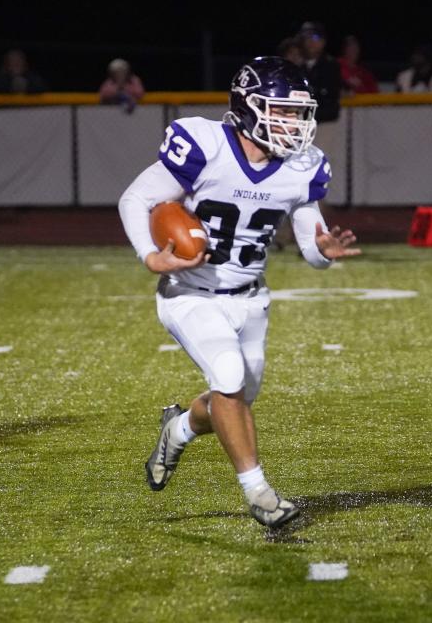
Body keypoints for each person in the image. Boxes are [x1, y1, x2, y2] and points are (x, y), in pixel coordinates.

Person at [117, 56, 360, 529]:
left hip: (251, 297)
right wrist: (150, 255)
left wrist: (324, 248)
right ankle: (260, 493)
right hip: (190, 293)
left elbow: (311, 248)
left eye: (298, 113)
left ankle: (180, 427)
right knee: (228, 376)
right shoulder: (205, 145)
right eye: (283, 112)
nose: (294, 124)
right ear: (248, 107)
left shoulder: (302, 166)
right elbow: (136, 198)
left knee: (234, 398)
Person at [298, 22, 341, 124]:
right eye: (307, 38)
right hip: (301, 123)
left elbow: (330, 100)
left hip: (325, 123)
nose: (311, 42)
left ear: (323, 41)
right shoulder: (299, 66)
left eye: (315, 37)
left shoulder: (330, 65)